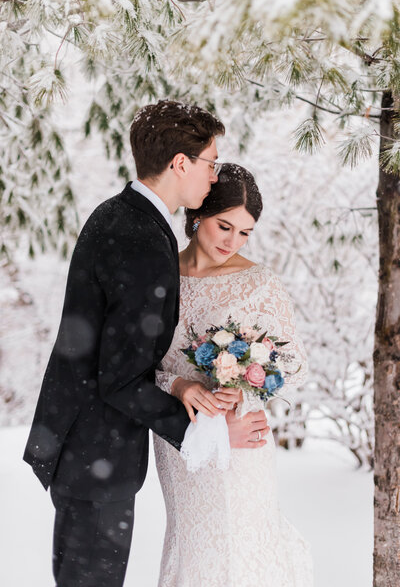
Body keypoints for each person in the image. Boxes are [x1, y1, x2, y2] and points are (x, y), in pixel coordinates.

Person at [23, 102, 270, 587]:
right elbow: (119, 379)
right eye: (210, 162)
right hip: (97, 453)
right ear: (181, 163)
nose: (213, 175)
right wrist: (208, 433)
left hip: (84, 447)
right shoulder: (142, 240)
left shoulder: (118, 214)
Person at [154, 163, 314, 587]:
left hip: (242, 437)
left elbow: (295, 364)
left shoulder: (258, 282)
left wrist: (243, 386)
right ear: (197, 216)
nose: (232, 241)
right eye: (225, 226)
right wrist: (176, 384)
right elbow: (139, 365)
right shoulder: (160, 274)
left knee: (243, 544)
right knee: (193, 548)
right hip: (179, 439)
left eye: (244, 233)